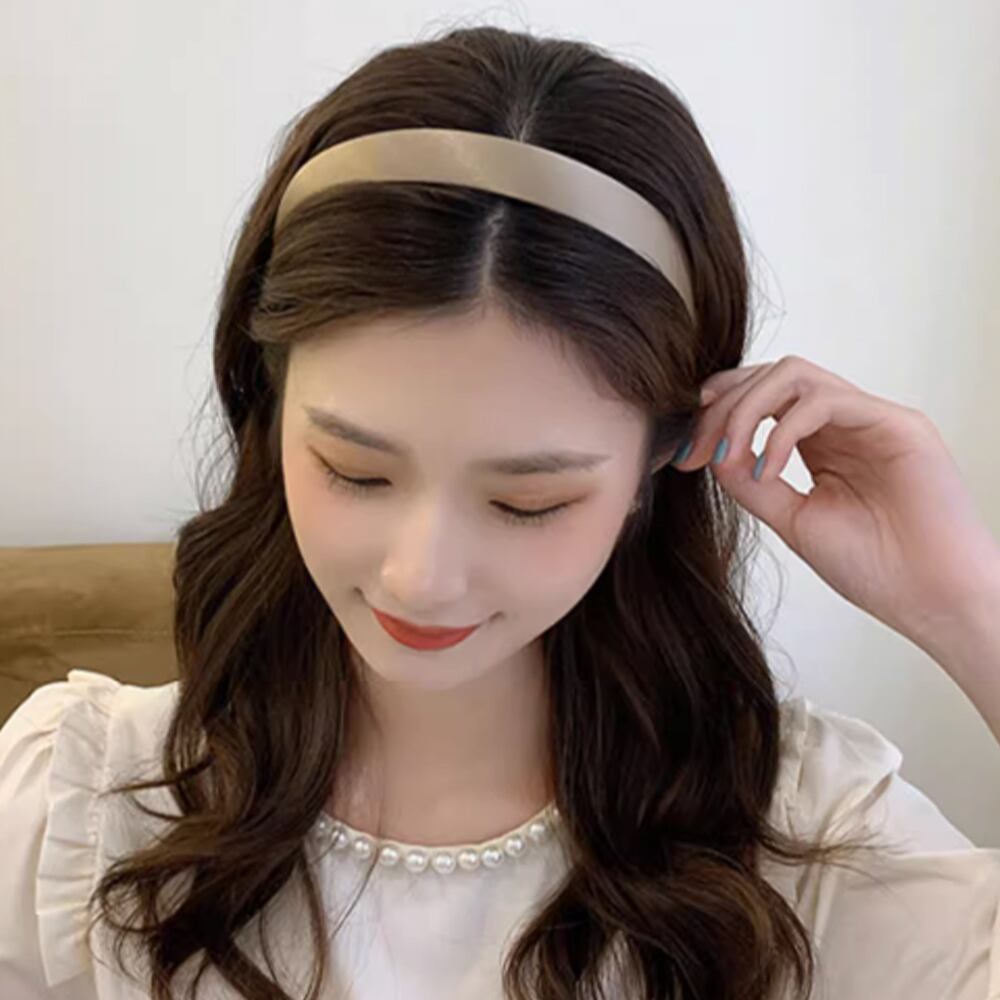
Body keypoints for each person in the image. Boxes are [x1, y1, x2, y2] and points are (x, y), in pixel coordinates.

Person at [2, 22, 999, 1000]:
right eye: (355, 472)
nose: (421, 576)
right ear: (267, 404)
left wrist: (966, 602)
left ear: (659, 460)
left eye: (528, 501)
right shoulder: (85, 807)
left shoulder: (804, 839)